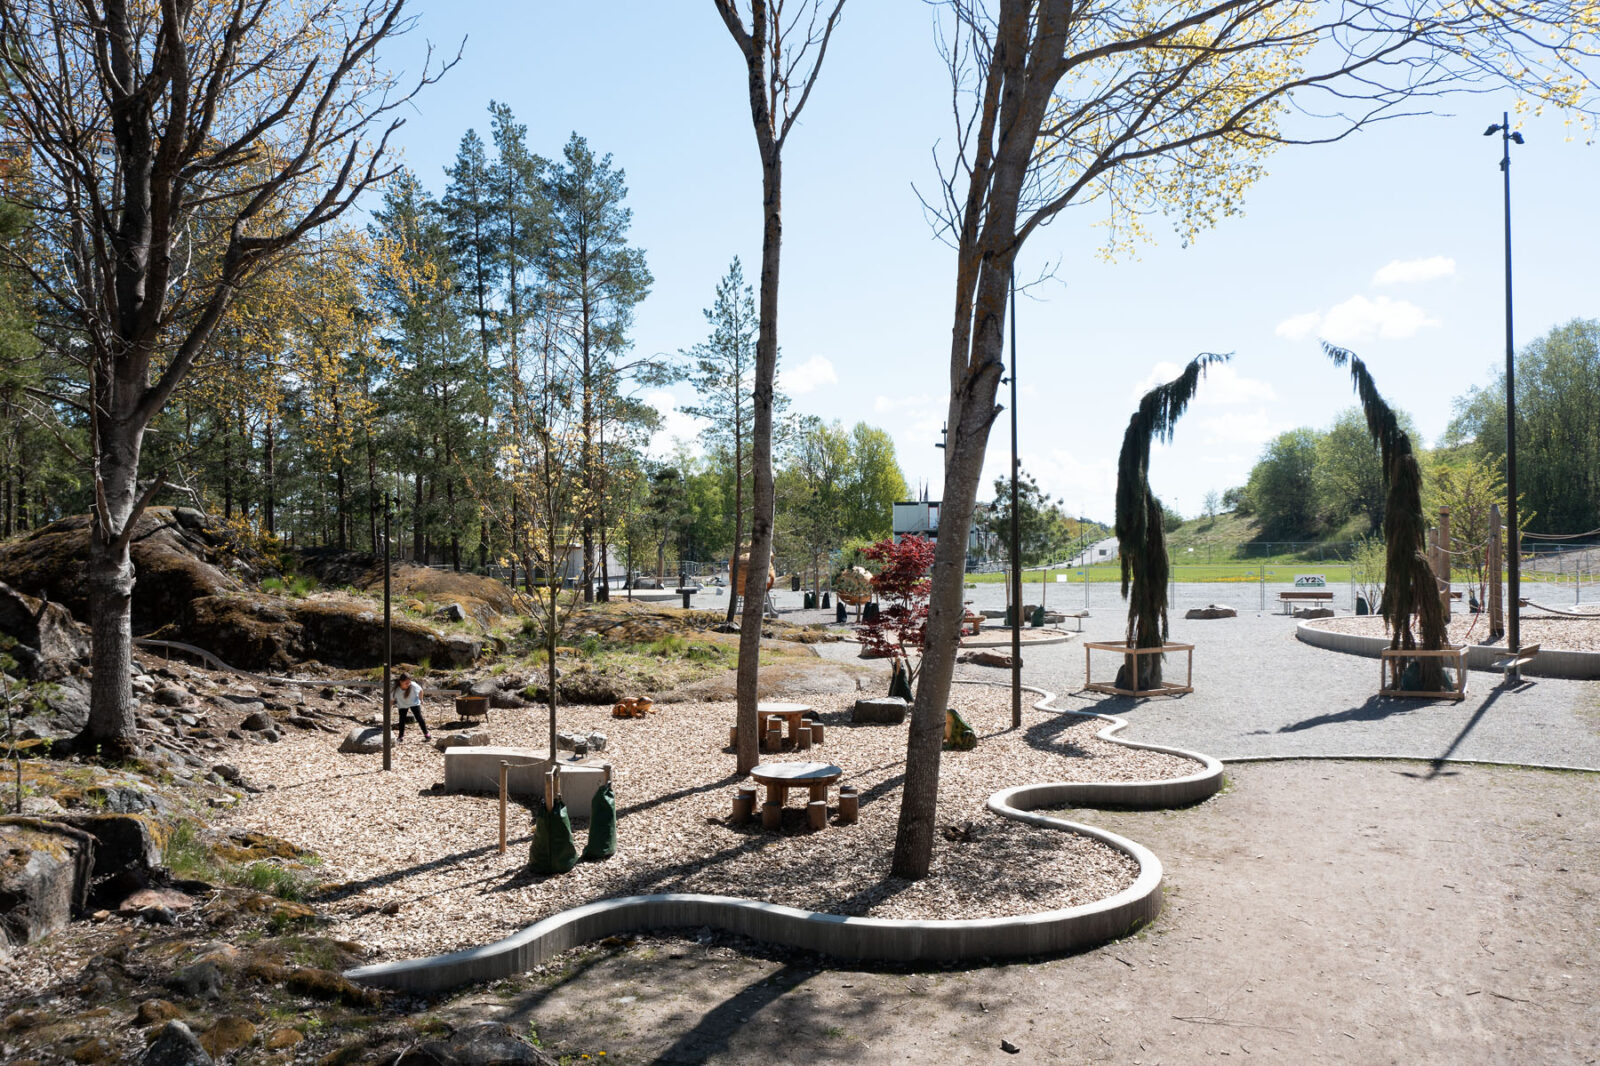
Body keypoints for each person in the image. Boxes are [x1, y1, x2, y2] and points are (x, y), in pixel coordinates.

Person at [393, 672, 430, 742]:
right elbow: (391, 699)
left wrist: (421, 699)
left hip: (414, 702)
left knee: (419, 718)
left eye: (409, 682)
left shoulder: (413, 685)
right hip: (402, 704)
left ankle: (426, 734)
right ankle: (400, 736)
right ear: (401, 682)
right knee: (402, 719)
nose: (408, 684)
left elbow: (421, 690)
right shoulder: (396, 688)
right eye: (406, 683)